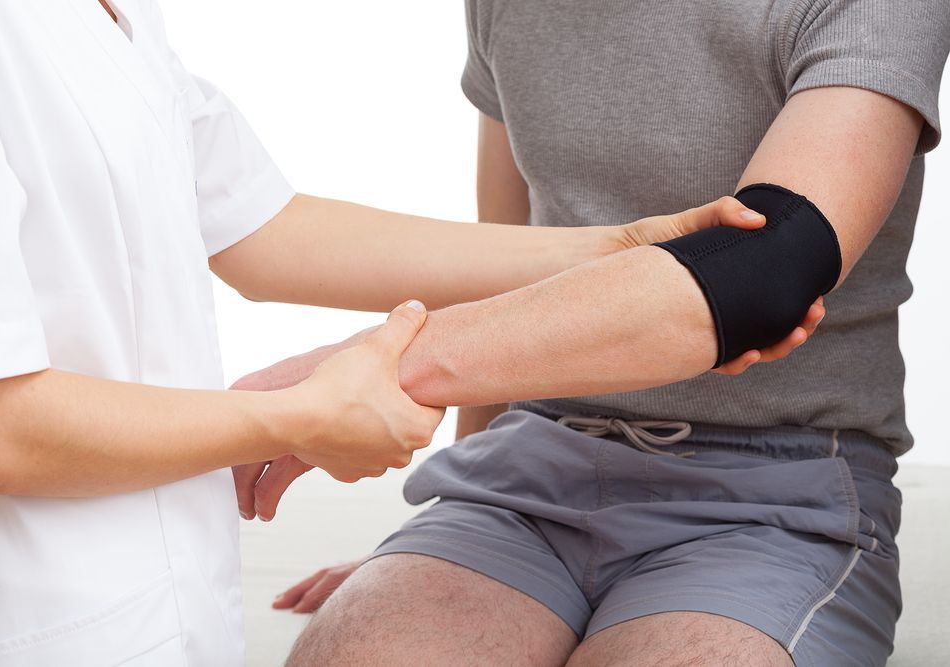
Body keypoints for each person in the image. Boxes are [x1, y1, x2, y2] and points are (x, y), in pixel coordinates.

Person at [0, 1, 815, 665]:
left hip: (159, 608)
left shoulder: (118, 18)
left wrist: (615, 248)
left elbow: (266, 229)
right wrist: (295, 416)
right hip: (20, 615)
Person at [262, 1, 950, 666]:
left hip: (773, 490)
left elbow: (766, 272)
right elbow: (502, 275)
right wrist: (444, 542)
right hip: (530, 467)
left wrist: (370, 372)